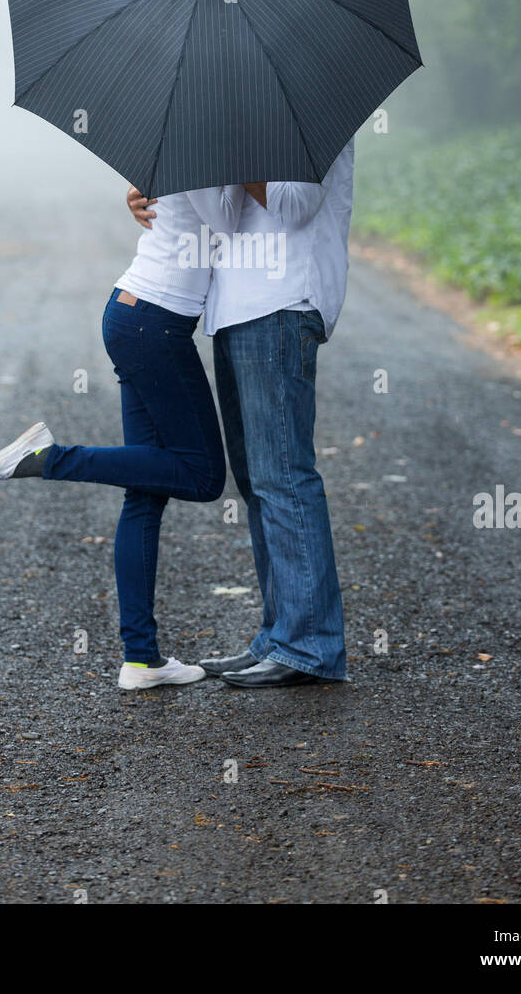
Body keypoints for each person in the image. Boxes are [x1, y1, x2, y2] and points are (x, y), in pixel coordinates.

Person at [0, 185, 243, 691]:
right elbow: (226, 225)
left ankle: (141, 659)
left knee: (146, 491)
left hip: (140, 317)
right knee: (201, 477)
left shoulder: (195, 152)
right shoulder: (204, 154)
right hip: (153, 325)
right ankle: (49, 458)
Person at [128, 139, 355, 689]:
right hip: (239, 305)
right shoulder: (244, 114)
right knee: (256, 481)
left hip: (283, 302)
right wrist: (163, 190)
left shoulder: (302, 112)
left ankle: (309, 648)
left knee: (284, 476)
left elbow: (297, 205)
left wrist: (233, 148)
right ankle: (279, 636)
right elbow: (224, 216)